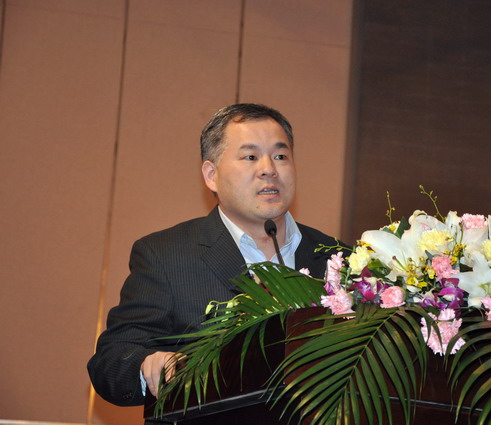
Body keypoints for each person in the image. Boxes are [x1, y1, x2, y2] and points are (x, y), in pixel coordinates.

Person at [88, 103, 341, 407]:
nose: (269, 169)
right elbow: (112, 359)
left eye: (280, 156)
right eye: (250, 157)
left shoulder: (339, 258)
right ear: (211, 175)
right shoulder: (165, 255)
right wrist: (147, 365)